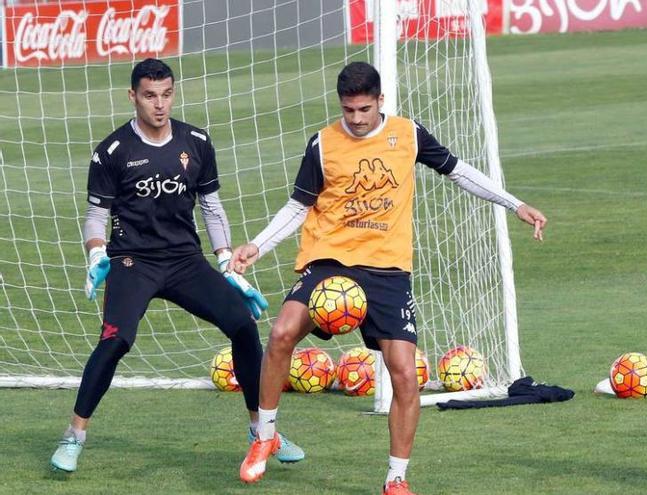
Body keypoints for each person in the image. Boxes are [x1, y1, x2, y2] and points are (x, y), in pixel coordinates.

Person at [232, 61, 546, 494]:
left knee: (403, 372)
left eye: (363, 109)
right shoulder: (322, 144)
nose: (356, 119)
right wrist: (257, 245)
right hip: (330, 261)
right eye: (348, 110)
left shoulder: (408, 134)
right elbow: (298, 205)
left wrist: (515, 205)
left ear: (380, 100)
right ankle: (264, 437)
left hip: (387, 269)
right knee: (282, 331)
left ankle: (396, 479)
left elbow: (458, 171)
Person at [50, 58, 302, 472]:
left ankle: (262, 432)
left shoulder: (197, 142)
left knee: (242, 323)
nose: (159, 104)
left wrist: (226, 264)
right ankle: (74, 435)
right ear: (133, 97)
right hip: (133, 262)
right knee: (115, 340)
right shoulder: (112, 151)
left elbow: (212, 208)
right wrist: (97, 253)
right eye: (150, 96)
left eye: (166, 94)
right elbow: (96, 216)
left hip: (185, 261)